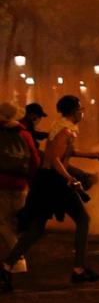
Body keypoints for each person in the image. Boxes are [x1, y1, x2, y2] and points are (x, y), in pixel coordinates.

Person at [0, 95, 99, 290]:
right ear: (73, 111)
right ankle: (79, 269)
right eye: (81, 108)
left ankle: (6, 267)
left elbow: (65, 152)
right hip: (54, 183)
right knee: (83, 219)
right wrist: (69, 178)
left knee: (37, 229)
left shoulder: (63, 128)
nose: (83, 112)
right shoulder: (65, 130)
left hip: (46, 182)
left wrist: (92, 155)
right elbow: (55, 158)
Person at [0, 102, 40, 274]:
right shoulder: (24, 133)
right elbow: (35, 160)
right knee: (18, 223)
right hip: (21, 184)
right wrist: (30, 180)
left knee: (3, 223)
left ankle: (17, 260)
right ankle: (18, 258)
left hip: (1, 184)